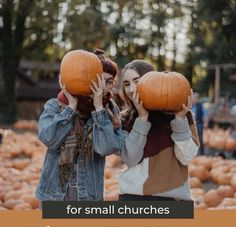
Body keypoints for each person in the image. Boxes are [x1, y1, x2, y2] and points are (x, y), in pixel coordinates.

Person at [36, 50, 123, 202]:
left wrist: (98, 109)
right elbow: (49, 139)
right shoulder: (56, 106)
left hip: (88, 196)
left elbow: (105, 148)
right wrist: (71, 108)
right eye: (99, 79)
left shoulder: (110, 114)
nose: (102, 87)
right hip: (54, 195)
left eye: (109, 82)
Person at [117, 60, 200, 201]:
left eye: (137, 81)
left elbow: (186, 158)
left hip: (173, 199)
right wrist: (142, 119)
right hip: (134, 198)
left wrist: (179, 120)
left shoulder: (181, 115)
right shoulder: (125, 119)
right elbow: (131, 159)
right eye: (126, 84)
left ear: (152, 81)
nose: (131, 89)